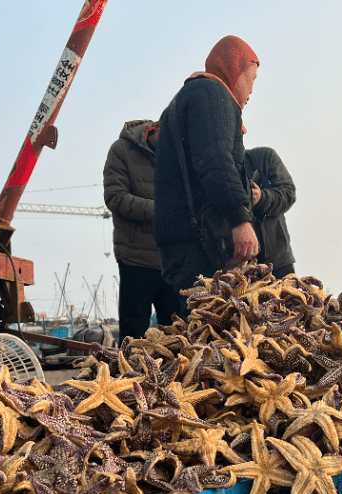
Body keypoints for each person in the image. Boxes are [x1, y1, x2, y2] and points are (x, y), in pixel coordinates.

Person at [153, 35, 260, 314]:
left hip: (183, 238)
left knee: (195, 326)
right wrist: (240, 220)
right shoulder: (212, 94)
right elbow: (214, 161)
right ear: (235, 70)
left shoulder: (191, 97)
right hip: (198, 241)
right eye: (252, 79)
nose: (252, 90)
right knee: (210, 330)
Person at [103, 119, 180, 342]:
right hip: (136, 258)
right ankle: (129, 377)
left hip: (172, 260)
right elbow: (115, 197)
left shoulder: (176, 155)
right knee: (133, 337)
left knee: (177, 338)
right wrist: (161, 210)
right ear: (155, 128)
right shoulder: (121, 150)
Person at [245, 146, 296, 278]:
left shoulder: (265, 156)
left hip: (278, 263)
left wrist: (262, 198)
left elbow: (289, 192)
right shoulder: (213, 171)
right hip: (240, 270)